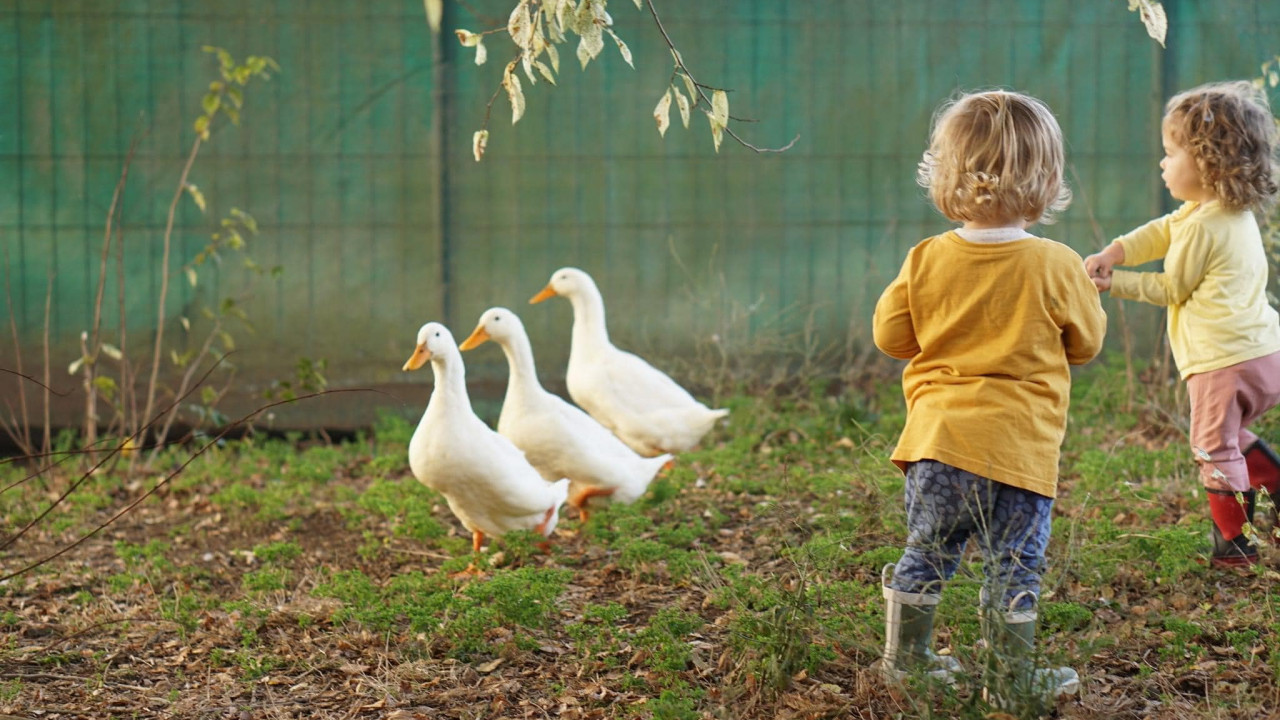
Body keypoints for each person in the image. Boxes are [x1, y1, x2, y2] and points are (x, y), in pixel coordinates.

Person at [872, 90, 1106, 707]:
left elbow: (891, 338)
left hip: (940, 443)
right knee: (1015, 562)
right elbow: (1085, 345)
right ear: (1048, 178)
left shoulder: (925, 258)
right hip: (1020, 451)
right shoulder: (1056, 265)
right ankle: (1010, 678)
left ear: (945, 175)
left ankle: (909, 661)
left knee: (927, 549)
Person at [1084, 80, 1280, 568]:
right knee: (1230, 438)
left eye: (1171, 153)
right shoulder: (1225, 211)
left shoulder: (1202, 227)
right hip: (1263, 353)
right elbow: (1165, 228)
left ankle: (1234, 548)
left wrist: (1116, 283)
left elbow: (1172, 289)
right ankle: (1274, 484)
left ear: (1208, 162)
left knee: (1213, 448)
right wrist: (1116, 251)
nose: (1162, 163)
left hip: (1221, 363)